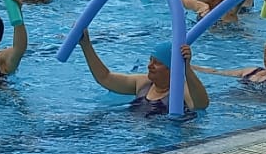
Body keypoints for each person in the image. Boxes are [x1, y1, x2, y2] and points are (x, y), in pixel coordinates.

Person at [78, 35, 209, 113]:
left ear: (171, 69)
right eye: (150, 60)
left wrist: (186, 68)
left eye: (157, 63)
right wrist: (86, 45)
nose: (149, 66)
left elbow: (201, 104)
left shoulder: (181, 89)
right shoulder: (143, 83)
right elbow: (105, 78)